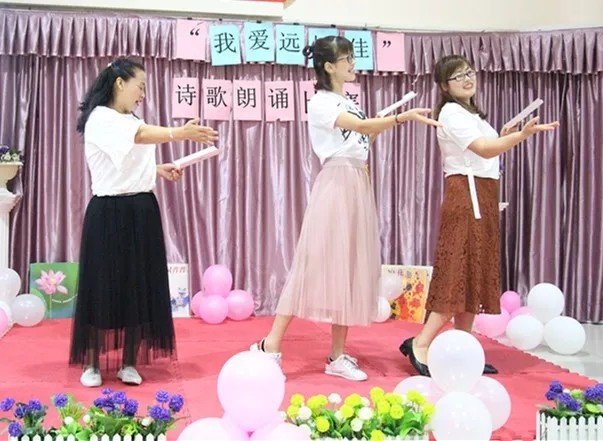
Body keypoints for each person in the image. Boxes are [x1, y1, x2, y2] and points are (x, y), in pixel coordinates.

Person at [251, 36, 440, 381]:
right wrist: (401, 118)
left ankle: (337, 355)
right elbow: (361, 129)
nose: (353, 63)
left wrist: (379, 126)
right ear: (329, 66)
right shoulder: (321, 102)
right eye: (346, 58)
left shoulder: (347, 102)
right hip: (336, 182)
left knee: (349, 267)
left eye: (352, 57)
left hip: (357, 180)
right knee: (311, 263)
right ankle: (270, 344)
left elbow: (362, 138)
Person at [399, 55, 559, 376]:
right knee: (458, 274)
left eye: (469, 72)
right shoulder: (451, 112)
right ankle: (421, 343)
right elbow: (484, 149)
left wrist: (506, 134)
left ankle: (463, 351)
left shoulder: (472, 114)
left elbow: (488, 147)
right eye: (457, 76)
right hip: (465, 195)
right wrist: (521, 135)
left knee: (474, 274)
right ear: (444, 86)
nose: (467, 79)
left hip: (483, 194)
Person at [69, 57, 218, 387]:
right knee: (102, 287)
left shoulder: (133, 119)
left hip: (142, 209)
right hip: (108, 212)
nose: (142, 94)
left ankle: (129, 363)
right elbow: (138, 137)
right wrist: (180, 132)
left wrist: (157, 170)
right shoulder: (101, 118)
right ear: (120, 83)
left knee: (138, 286)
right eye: (140, 87)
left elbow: (128, 160)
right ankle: (91, 364)